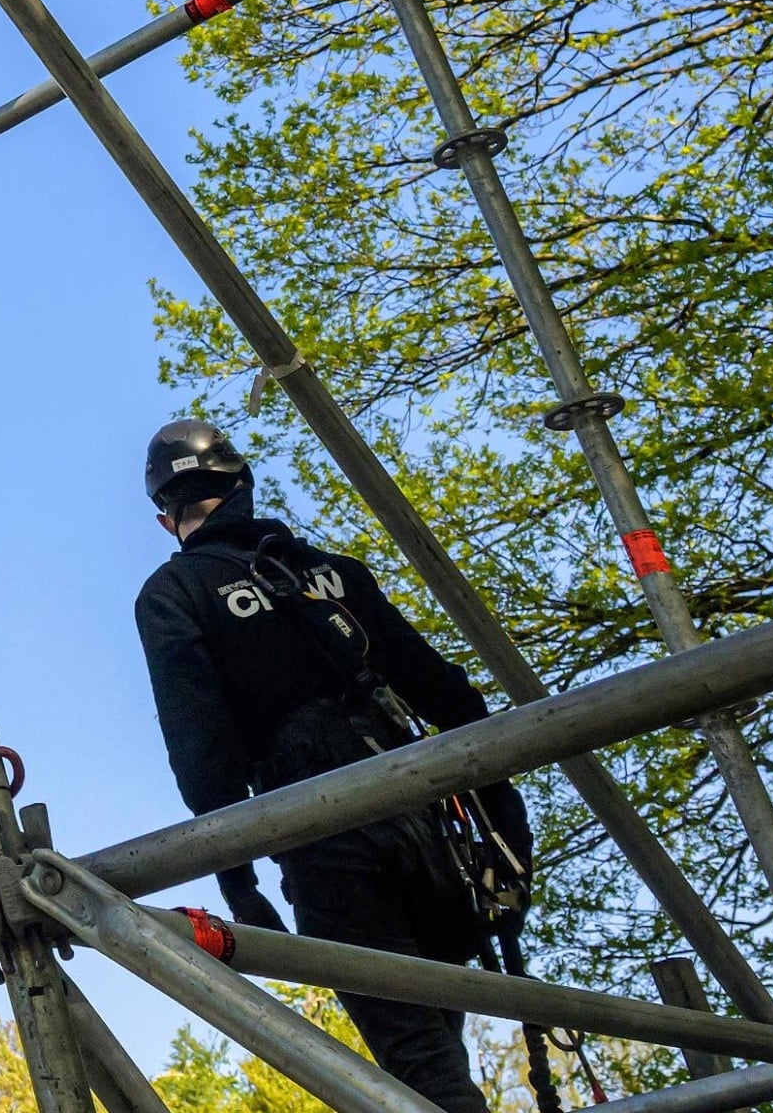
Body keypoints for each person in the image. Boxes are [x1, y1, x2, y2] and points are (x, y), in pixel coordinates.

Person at [133, 419, 532, 1113]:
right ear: (242, 486)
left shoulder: (176, 595)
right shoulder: (334, 576)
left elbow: (203, 757)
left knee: (419, 1067)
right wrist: (506, 820)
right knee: (437, 1045)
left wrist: (239, 878)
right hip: (429, 828)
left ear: (166, 517)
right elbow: (447, 694)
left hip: (324, 838)